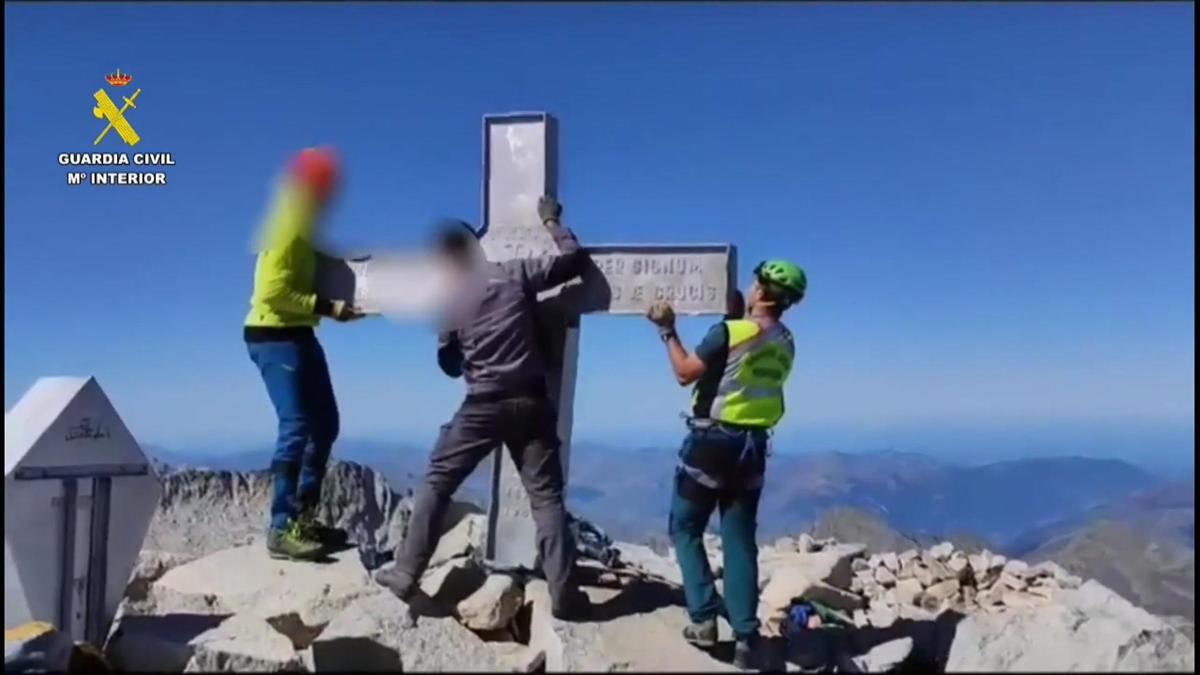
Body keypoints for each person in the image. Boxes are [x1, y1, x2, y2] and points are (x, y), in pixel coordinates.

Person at [375, 195, 591, 620]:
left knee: (438, 482)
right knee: (546, 498)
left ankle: (405, 573)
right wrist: (551, 221)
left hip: (482, 406)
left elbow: (451, 366)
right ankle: (565, 595)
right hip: (531, 400)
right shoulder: (514, 273)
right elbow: (574, 261)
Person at [645, 259, 807, 670]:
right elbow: (746, 363)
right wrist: (734, 316)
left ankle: (703, 620)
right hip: (753, 448)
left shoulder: (729, 332)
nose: (751, 286)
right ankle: (746, 638)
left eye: (756, 282)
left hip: (712, 443)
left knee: (684, 527)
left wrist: (666, 328)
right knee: (739, 542)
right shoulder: (786, 341)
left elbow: (686, 373)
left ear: (763, 291)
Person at [244, 147, 366, 561]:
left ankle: (303, 518)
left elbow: (307, 260)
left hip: (297, 333)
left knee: (325, 424)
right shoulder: (287, 218)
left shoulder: (300, 219)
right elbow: (272, 291)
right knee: (296, 424)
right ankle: (281, 527)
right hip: (272, 334)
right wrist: (329, 308)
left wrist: (345, 265)